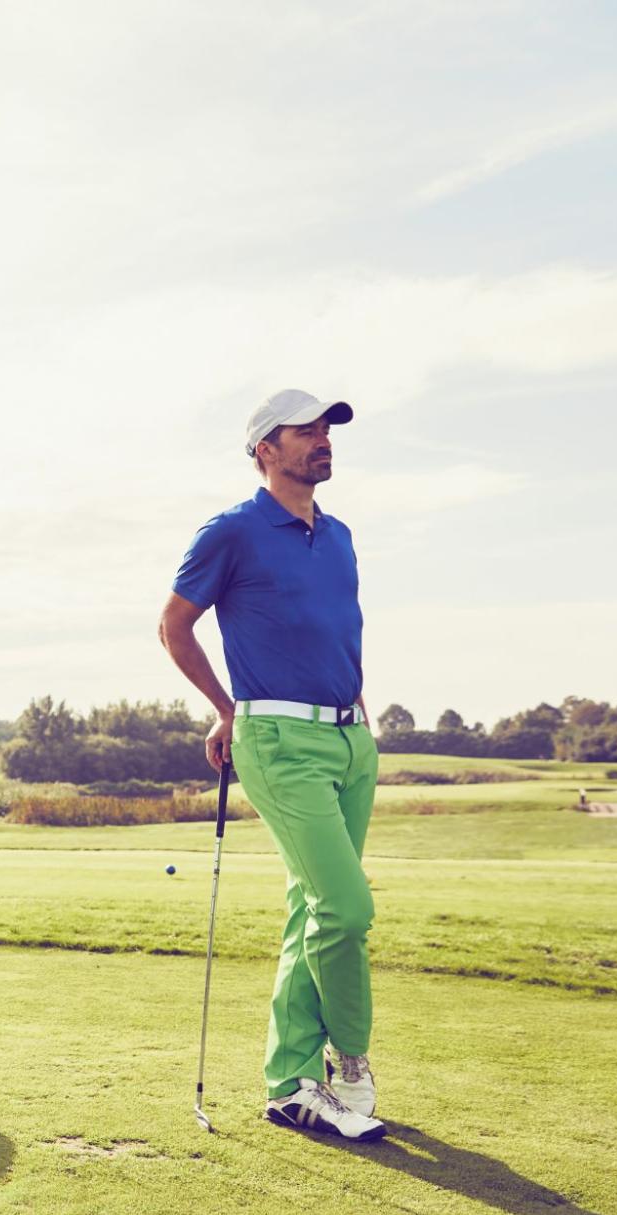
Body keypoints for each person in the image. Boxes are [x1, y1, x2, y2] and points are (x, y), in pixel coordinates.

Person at [158, 389, 386, 1142]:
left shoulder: (340, 535)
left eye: (327, 430)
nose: (324, 440)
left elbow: (337, 632)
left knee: (310, 909)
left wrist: (359, 718)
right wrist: (228, 709)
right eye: (306, 431)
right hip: (279, 740)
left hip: (350, 739)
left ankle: (290, 1084)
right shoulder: (232, 531)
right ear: (265, 449)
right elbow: (174, 625)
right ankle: (349, 1061)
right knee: (345, 910)